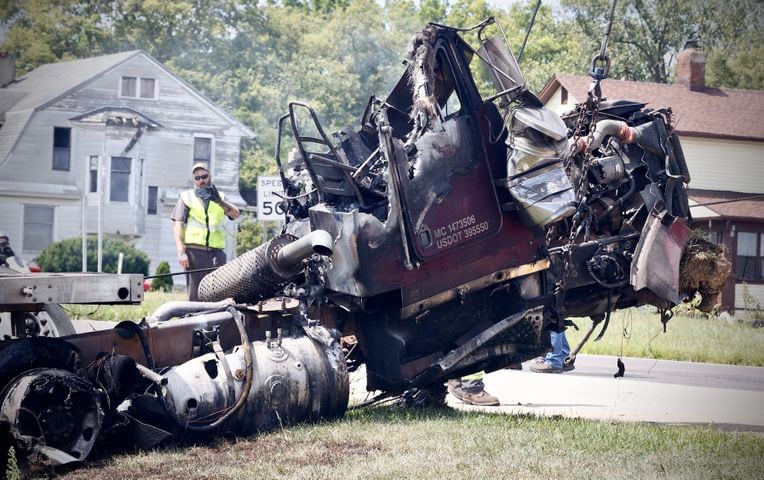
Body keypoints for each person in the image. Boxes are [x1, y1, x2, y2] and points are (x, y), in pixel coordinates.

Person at [171, 163, 240, 301]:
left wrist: (219, 201)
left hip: (217, 253)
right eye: (197, 178)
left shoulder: (220, 197)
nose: (201, 180)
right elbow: (177, 224)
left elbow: (236, 214)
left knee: (219, 293)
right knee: (195, 295)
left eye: (204, 176)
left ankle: (215, 322)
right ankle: (194, 321)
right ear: (194, 180)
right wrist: (181, 252)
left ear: (210, 177)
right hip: (195, 253)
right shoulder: (186, 197)